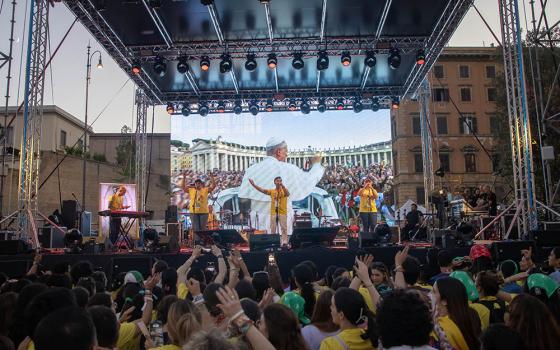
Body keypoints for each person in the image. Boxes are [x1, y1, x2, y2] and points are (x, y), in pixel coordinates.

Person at [239, 137, 324, 237]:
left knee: (259, 247)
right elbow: (309, 180)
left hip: (257, 223)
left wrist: (246, 214)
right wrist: (317, 165)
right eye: (286, 150)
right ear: (278, 151)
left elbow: (243, 199)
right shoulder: (287, 168)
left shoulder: (251, 169)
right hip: (281, 222)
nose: (287, 153)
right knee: (282, 248)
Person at [432, 278, 481, 350]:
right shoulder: (472, 314)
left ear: (444, 300)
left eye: (433, 292)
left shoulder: (440, 326)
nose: (429, 294)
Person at [248, 177, 291, 245]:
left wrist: (282, 186)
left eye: (280, 181)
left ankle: (285, 242)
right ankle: (274, 242)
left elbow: (288, 194)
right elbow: (262, 190)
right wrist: (253, 185)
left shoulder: (284, 190)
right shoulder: (272, 191)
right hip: (273, 212)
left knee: (284, 228)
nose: (279, 182)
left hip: (283, 212)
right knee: (273, 228)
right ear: (274, 182)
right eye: (277, 181)